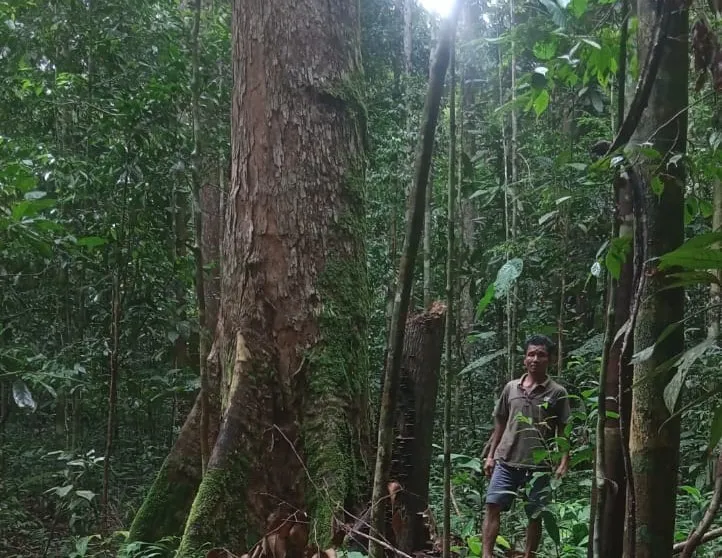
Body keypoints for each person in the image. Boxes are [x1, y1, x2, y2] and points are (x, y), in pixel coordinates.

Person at [481, 334, 571, 558]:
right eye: (531, 354)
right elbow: (500, 421)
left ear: (549, 359)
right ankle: (486, 554)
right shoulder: (511, 388)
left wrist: (563, 462)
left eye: (541, 355)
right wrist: (491, 455)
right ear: (524, 359)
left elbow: (563, 430)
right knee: (493, 505)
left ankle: (529, 554)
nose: (535, 359)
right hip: (506, 459)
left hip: (539, 465)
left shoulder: (557, 392)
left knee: (535, 514)